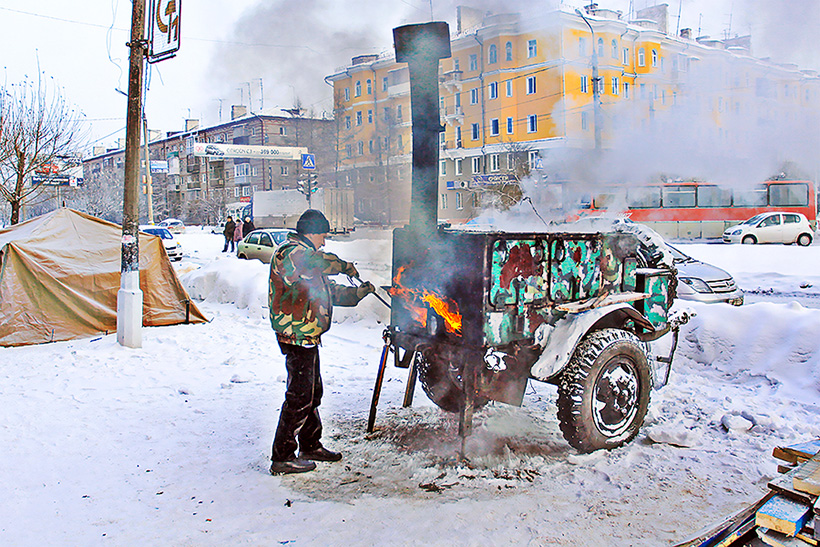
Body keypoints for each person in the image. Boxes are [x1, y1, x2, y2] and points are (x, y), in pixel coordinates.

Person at [268, 209, 375, 475]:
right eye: (323, 236)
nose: (324, 241)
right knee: (300, 396)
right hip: (296, 334)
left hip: (308, 334)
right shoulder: (291, 253)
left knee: (312, 392)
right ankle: (282, 456)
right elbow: (320, 263)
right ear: (312, 232)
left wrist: (357, 294)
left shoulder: (305, 257)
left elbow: (322, 291)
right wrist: (345, 266)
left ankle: (310, 444)